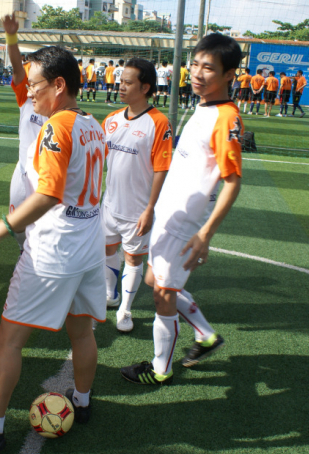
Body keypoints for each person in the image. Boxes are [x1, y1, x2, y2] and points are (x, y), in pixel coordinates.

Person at [0, 45, 106, 453]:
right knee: (81, 329)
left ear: (58, 84)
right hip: (89, 247)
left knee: (9, 340)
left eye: (34, 84)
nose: (29, 91)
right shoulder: (94, 123)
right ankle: (84, 403)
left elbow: (48, 195)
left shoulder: (56, 127)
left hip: (55, 250)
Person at [120, 33, 243, 385]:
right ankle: (205, 335)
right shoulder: (204, 107)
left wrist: (204, 234)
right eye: (196, 64)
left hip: (183, 225)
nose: (198, 73)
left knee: (162, 295)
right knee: (153, 281)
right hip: (168, 216)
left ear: (230, 74)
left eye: (209, 68)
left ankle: (160, 371)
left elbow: (233, 181)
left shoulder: (225, 117)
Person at [102, 58, 172, 332]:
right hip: (109, 205)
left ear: (145, 87)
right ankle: (111, 294)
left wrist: (150, 208)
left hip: (137, 209)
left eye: (128, 83)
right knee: (107, 249)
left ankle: (126, 310)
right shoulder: (111, 120)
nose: (121, 87)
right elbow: (100, 160)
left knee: (132, 258)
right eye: (121, 82)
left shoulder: (159, 122)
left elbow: (161, 169)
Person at [3, 14, 47, 247]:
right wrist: (11, 35)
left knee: (44, 226)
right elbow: (16, 66)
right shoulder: (25, 97)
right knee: (17, 226)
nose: (29, 81)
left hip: (46, 176)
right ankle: (23, 253)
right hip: (22, 173)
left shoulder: (58, 104)